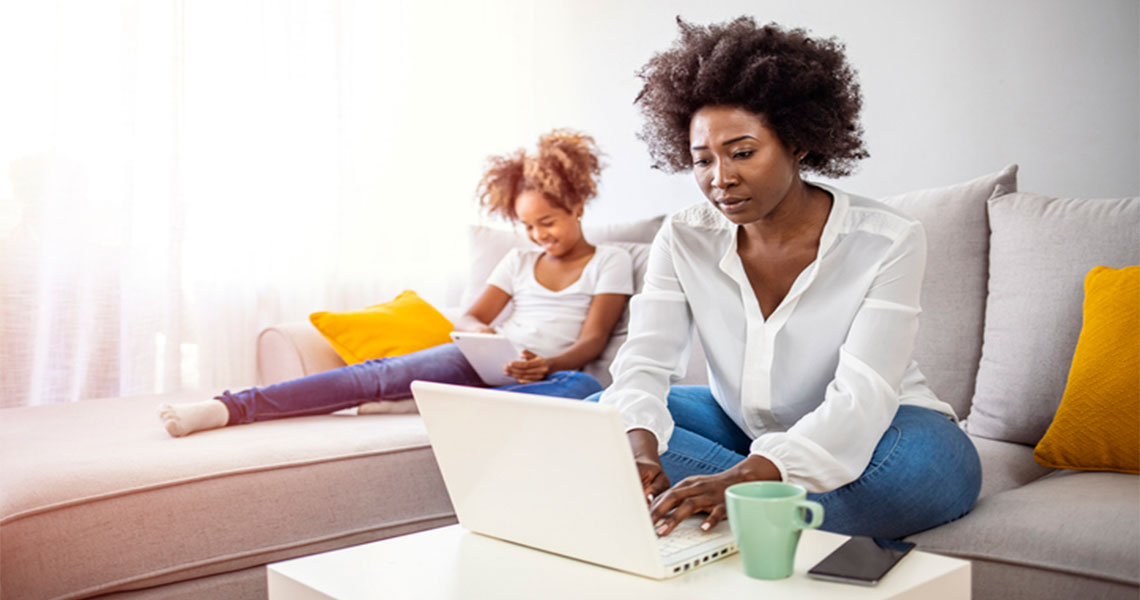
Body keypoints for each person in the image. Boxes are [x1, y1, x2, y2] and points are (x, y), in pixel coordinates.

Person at [591, 17, 981, 540]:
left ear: (797, 142)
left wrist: (743, 477)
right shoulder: (683, 237)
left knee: (921, 472)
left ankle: (730, 501)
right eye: (702, 160)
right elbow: (642, 365)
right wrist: (638, 455)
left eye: (743, 153)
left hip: (890, 429)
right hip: (744, 427)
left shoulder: (888, 239)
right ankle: (761, 507)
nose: (720, 179)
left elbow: (863, 397)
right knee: (601, 424)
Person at [160, 129, 633, 437]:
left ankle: (419, 407)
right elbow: (472, 314)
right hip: (492, 362)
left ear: (577, 206)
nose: (538, 236)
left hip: (555, 372)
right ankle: (233, 407)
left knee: (578, 393)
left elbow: (592, 340)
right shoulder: (516, 260)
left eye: (547, 222)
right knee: (376, 374)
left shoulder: (609, 261)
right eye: (528, 226)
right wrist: (482, 334)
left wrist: (546, 363)